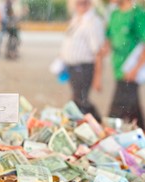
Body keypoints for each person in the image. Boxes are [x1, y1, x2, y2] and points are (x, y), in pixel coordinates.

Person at [93, 0, 145, 129]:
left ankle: (106, 137)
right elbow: (109, 41)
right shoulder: (114, 14)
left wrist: (136, 69)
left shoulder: (137, 14)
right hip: (118, 69)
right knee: (133, 111)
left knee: (115, 112)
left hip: (131, 71)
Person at [59, 0, 104, 121]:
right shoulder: (77, 19)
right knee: (77, 99)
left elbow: (98, 52)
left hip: (84, 68)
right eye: (79, 3)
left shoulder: (92, 22)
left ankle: (97, 121)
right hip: (72, 67)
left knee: (80, 100)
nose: (81, 6)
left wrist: (97, 78)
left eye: (85, 3)